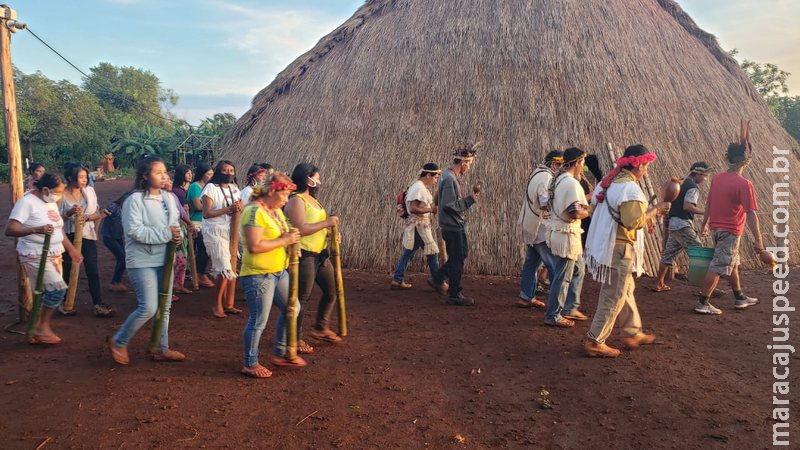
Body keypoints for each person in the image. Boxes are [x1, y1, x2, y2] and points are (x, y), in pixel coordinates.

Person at [583, 145, 667, 357]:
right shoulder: (630, 189)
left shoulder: (606, 183)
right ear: (638, 165)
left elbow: (592, 207)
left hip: (606, 246)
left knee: (625, 289)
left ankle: (632, 332)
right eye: (646, 166)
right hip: (618, 248)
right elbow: (633, 222)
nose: (646, 170)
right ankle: (595, 340)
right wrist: (656, 210)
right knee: (614, 295)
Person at [108, 156, 184, 365]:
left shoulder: (168, 199)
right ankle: (119, 341)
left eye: (164, 171)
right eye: (157, 172)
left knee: (164, 306)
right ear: (144, 176)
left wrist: (178, 236)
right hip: (141, 260)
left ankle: (161, 347)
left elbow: (175, 225)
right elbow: (135, 231)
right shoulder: (134, 200)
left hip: (166, 258)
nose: (163, 176)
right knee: (149, 307)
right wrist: (167, 235)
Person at [240, 173, 306, 377]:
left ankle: (281, 350)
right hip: (259, 275)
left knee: (293, 308)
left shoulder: (275, 211)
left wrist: (291, 245)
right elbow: (254, 246)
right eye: (284, 194)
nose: (287, 200)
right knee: (258, 320)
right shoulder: (253, 212)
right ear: (271, 191)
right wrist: (285, 241)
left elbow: (284, 236)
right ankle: (250, 363)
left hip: (278, 271)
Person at [6, 173, 83, 344]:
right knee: (57, 290)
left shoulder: (50, 202)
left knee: (46, 292)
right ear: (46, 189)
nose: (59, 196)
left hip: (54, 253)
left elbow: (57, 228)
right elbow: (10, 229)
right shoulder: (26, 203)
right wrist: (36, 230)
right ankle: (41, 326)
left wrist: (71, 250)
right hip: (35, 254)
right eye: (57, 192)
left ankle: (37, 327)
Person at [695, 143, 763, 314]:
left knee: (733, 263)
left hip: (716, 229)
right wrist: (759, 240)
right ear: (745, 161)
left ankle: (739, 297)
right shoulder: (744, 184)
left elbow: (709, 203)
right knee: (718, 266)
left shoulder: (717, 178)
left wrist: (704, 225)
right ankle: (702, 303)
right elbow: (751, 213)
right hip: (731, 231)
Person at [285, 163, 342, 353]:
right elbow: (301, 228)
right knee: (302, 298)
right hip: (304, 256)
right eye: (317, 178)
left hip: (320, 255)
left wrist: (328, 232)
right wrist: (326, 222)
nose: (319, 181)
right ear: (308, 179)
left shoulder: (313, 200)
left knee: (331, 290)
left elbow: (314, 226)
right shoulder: (296, 200)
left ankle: (320, 327)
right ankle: (294, 338)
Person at [542, 148, 590, 327]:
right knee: (562, 277)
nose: (583, 166)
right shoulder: (570, 184)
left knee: (578, 269)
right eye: (583, 163)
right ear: (577, 163)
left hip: (561, 233)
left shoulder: (558, 179)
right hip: (566, 236)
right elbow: (574, 213)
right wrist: (591, 210)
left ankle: (570, 307)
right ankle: (553, 314)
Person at [429, 142, 482, 306]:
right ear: (463, 162)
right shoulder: (450, 178)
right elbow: (450, 206)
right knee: (458, 259)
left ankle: (438, 277)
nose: (469, 167)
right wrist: (470, 200)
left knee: (461, 254)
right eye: (469, 164)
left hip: (451, 224)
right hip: (453, 226)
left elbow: (439, 197)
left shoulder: (447, 175)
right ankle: (454, 293)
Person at [59, 163, 114, 317]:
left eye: (85, 177)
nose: (84, 180)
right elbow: (56, 220)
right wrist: (69, 213)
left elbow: (97, 213)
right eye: (81, 177)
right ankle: (65, 302)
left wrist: (87, 218)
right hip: (68, 236)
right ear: (70, 177)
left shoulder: (89, 191)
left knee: (92, 270)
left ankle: (97, 303)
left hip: (87, 235)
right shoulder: (61, 195)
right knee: (68, 270)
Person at [652, 161, 712, 292]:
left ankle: (659, 283)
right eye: (705, 176)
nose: (705, 179)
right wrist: (707, 211)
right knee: (699, 254)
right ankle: (704, 289)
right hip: (683, 225)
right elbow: (688, 206)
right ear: (698, 174)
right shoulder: (693, 188)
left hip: (673, 224)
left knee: (668, 255)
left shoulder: (680, 183)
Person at [517, 150, 563, 309]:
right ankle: (556, 306)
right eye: (559, 165)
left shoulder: (537, 173)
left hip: (532, 226)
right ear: (553, 164)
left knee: (531, 263)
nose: (560, 168)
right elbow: (544, 202)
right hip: (541, 229)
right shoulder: (546, 177)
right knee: (553, 265)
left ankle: (526, 296)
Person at [391, 163, 444, 290]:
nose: (436, 180)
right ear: (428, 175)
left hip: (417, 225)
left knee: (409, 252)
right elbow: (413, 208)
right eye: (435, 177)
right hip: (419, 226)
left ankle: (398, 279)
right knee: (432, 252)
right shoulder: (418, 188)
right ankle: (438, 281)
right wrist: (431, 210)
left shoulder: (417, 186)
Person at [202, 160, 243, 318]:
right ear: (219, 172)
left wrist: (239, 208)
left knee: (231, 267)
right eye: (225, 170)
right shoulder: (210, 188)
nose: (229, 173)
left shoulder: (234, 189)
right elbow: (206, 213)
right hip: (214, 232)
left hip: (230, 231)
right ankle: (216, 304)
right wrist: (228, 209)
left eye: (231, 170)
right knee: (224, 268)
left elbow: (240, 207)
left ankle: (228, 304)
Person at [165, 175, 194, 298]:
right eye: (167, 180)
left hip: (177, 234)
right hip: (165, 236)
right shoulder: (157, 199)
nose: (169, 181)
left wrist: (190, 223)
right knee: (169, 263)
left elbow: (182, 213)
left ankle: (178, 285)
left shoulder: (173, 197)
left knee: (181, 261)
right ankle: (167, 291)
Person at [187, 163, 215, 288]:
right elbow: (198, 206)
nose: (210, 176)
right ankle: (200, 273)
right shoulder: (195, 187)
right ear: (202, 174)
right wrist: (212, 206)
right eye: (208, 174)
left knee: (209, 246)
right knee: (204, 246)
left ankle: (202, 271)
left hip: (208, 221)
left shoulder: (210, 187)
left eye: (212, 174)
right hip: (196, 222)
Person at [101, 191, 133, 293]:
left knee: (123, 258)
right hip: (109, 237)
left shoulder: (127, 210)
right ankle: (115, 282)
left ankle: (116, 282)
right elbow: (101, 215)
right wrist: (94, 230)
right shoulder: (114, 206)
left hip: (117, 237)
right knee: (122, 258)